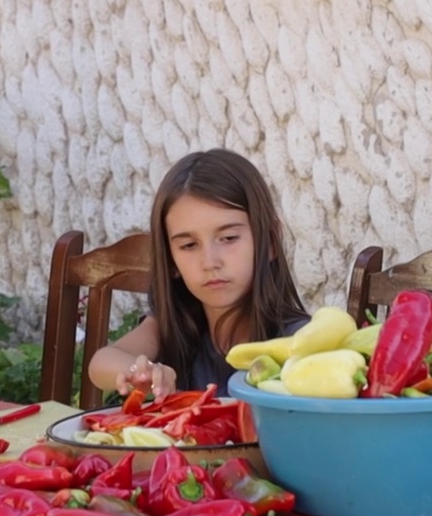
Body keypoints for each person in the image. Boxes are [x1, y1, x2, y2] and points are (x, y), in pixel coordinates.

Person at [88, 148, 309, 398]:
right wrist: (144, 372)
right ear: (170, 260)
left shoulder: (301, 341)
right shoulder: (177, 323)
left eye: (228, 238)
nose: (210, 262)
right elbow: (101, 362)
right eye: (189, 245)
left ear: (269, 241)